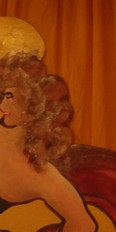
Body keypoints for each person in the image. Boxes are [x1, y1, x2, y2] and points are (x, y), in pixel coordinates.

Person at [0, 52, 97, 231]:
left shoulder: (41, 174)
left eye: (9, 96)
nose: (3, 103)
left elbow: (84, 225)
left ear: (31, 110)